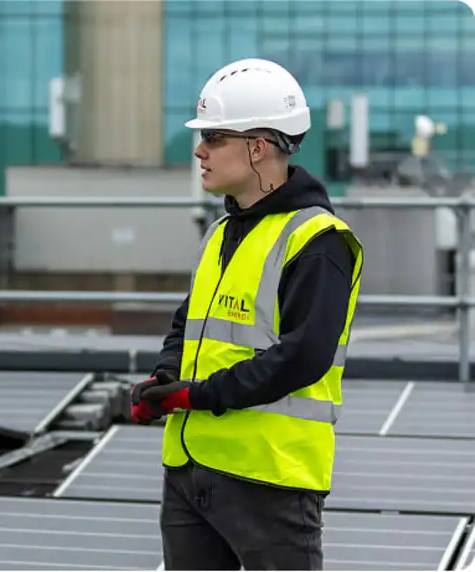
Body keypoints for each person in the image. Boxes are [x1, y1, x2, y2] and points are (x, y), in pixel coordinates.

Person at [129, 58, 363, 570]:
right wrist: (165, 377)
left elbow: (303, 357)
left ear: (258, 147)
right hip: (191, 472)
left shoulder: (319, 242)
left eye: (213, 137)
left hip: (270, 481)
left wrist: (197, 394)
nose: (199, 150)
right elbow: (186, 326)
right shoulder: (222, 232)